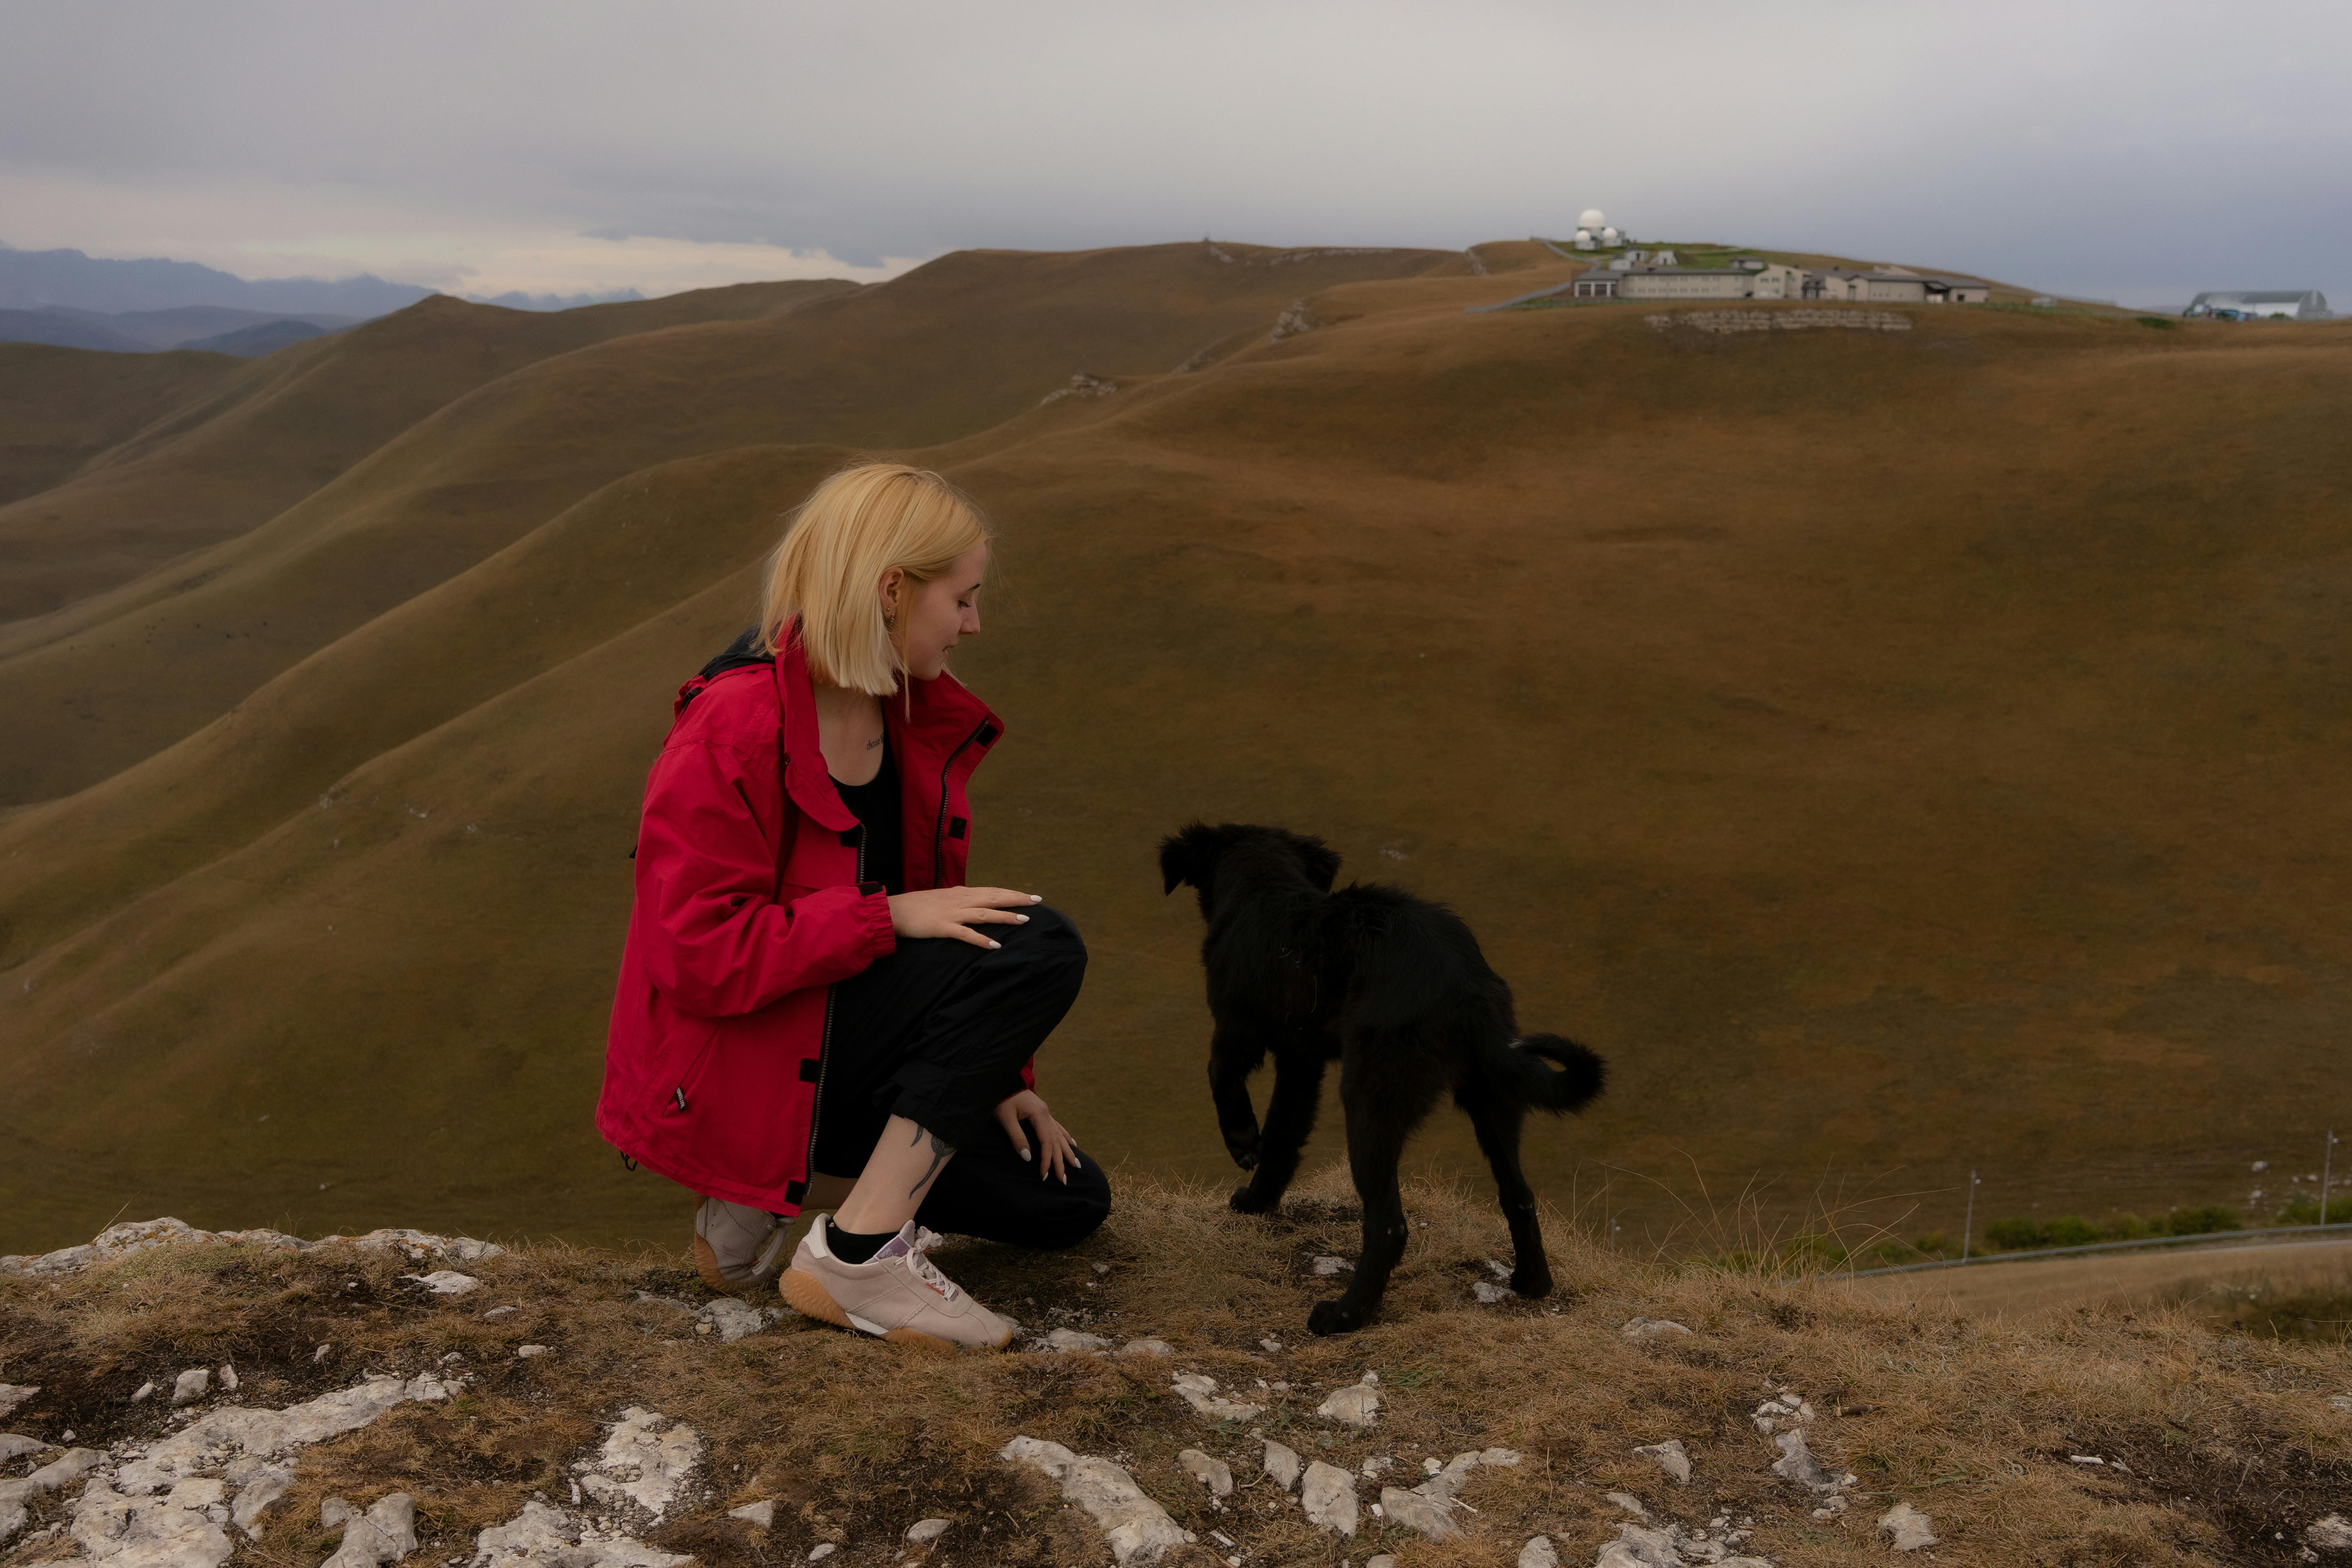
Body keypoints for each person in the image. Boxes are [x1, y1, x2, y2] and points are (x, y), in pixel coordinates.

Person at [597, 462, 1109, 1351]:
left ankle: (773, 1193)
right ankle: (859, 1254)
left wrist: (997, 1076)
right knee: (1042, 941)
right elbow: (696, 951)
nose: (974, 624)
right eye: (962, 599)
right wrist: (887, 915)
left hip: (839, 1042)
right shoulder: (735, 724)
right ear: (890, 591)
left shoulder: (902, 711)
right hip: (743, 1058)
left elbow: (939, 964)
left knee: (1064, 1201)